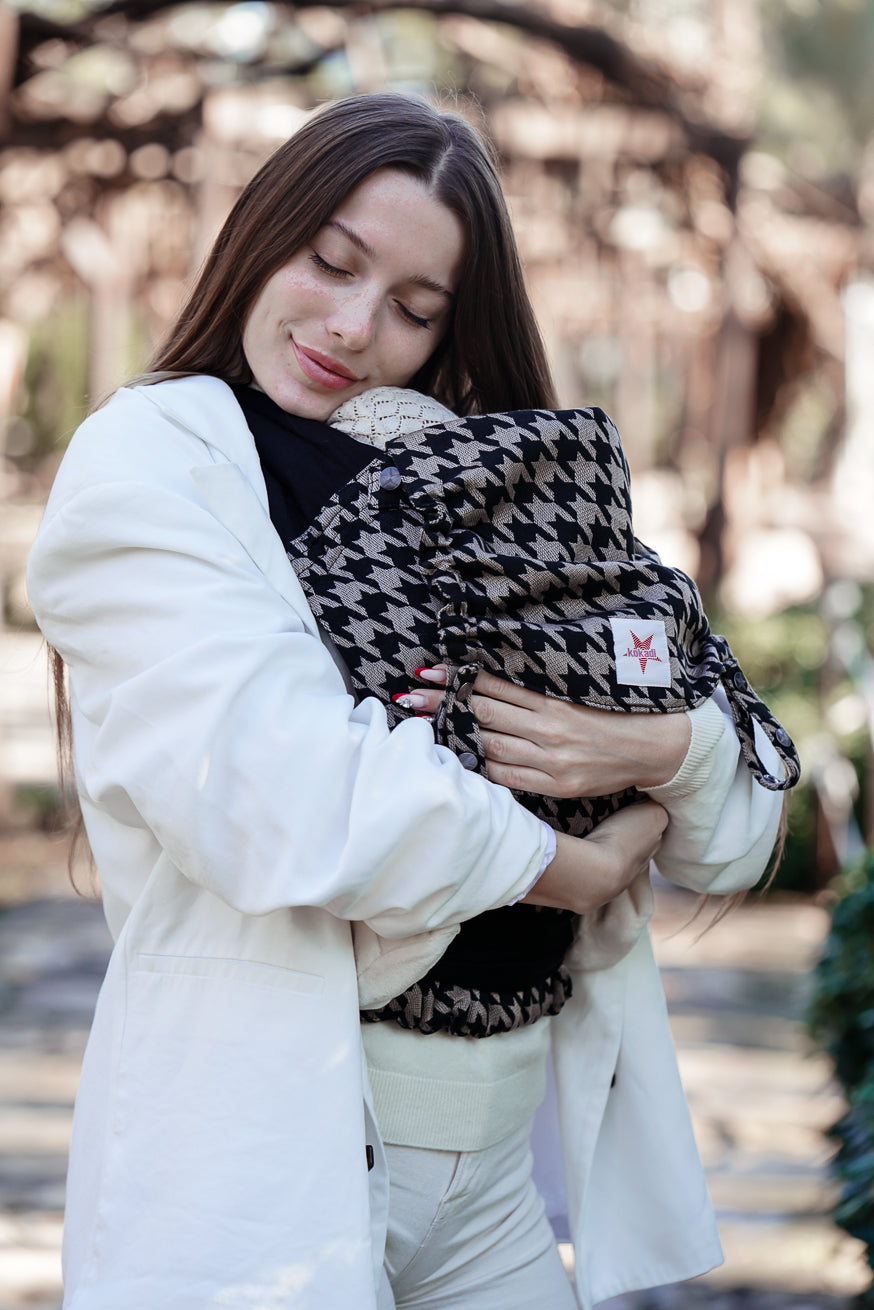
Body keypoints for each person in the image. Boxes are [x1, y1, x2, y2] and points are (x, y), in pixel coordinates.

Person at [26, 93, 791, 1310]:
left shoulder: (494, 485)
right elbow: (283, 795)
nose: (351, 326)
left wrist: (655, 745)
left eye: (412, 310)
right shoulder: (157, 459)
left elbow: (743, 821)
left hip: (488, 1181)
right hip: (275, 1156)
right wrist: (570, 859)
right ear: (261, 235)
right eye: (330, 263)